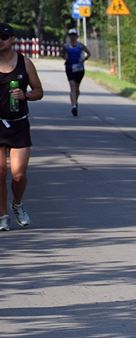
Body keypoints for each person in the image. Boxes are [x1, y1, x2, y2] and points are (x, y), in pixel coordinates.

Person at [0, 23, 43, 231]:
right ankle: (2, 216)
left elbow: (38, 91)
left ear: (12, 39)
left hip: (18, 125)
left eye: (4, 36)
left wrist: (25, 95)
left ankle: (17, 204)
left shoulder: (24, 63)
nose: (0, 40)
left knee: (18, 174)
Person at [61, 28, 89, 117]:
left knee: (77, 88)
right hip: (69, 68)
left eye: (74, 35)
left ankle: (75, 102)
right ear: (69, 37)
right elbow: (62, 54)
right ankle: (73, 106)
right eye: (71, 36)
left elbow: (88, 53)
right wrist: (65, 57)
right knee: (72, 86)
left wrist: (84, 59)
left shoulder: (80, 46)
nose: (73, 37)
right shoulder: (66, 46)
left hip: (79, 69)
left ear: (77, 36)